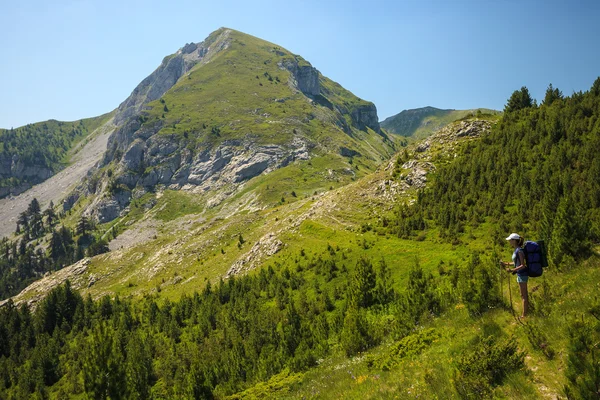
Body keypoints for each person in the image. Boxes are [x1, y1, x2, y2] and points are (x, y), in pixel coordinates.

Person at [501, 233, 528, 318]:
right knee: (522, 294)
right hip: (520, 274)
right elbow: (517, 262)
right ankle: (525, 313)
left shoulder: (519, 250)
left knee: (523, 295)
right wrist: (506, 263)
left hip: (522, 274)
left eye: (510, 240)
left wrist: (512, 270)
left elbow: (522, 265)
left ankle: (524, 315)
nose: (509, 242)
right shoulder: (516, 250)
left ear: (514, 241)